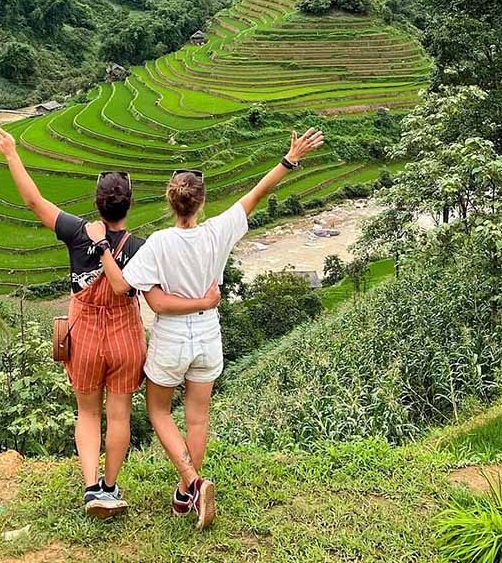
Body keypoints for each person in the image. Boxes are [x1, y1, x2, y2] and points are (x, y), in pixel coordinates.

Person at [90, 127, 325, 529]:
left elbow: (120, 284)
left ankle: (192, 482)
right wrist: (290, 158)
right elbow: (258, 193)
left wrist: (101, 247)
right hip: (208, 335)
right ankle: (184, 498)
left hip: (171, 337)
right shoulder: (218, 231)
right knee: (197, 417)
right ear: (201, 202)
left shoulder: (159, 243)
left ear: (170, 201)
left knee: (159, 411)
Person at [0, 127, 221, 519]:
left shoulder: (77, 232)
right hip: (124, 339)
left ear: (98, 204)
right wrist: (205, 301)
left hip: (84, 336)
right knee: (118, 413)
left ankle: (91, 488)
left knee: (88, 412)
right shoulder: (141, 248)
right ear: (128, 206)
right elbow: (162, 293)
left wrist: (13, 153)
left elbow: (33, 200)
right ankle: (113, 486)